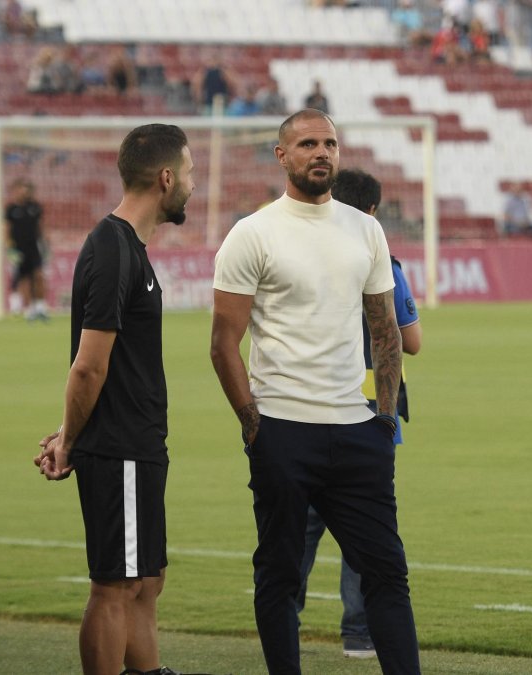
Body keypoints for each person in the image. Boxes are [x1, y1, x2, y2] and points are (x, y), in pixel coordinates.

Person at [210, 109, 421, 675]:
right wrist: (254, 426)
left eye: (329, 142)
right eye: (307, 143)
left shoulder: (365, 229)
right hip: (282, 431)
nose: (321, 152)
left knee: (387, 572)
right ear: (282, 155)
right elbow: (222, 343)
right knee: (279, 575)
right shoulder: (253, 233)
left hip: (358, 434)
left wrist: (383, 417)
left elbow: (385, 332)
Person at [34, 124, 194, 675]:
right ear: (166, 177)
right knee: (116, 585)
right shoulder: (112, 247)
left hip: (140, 444)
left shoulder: (130, 248)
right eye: (190, 174)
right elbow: (89, 364)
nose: (192, 187)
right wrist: (70, 439)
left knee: (147, 581)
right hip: (119, 447)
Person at [293, 168, 423, 660]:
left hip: (307, 408)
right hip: (372, 411)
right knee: (363, 527)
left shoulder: (300, 255)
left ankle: (285, 617)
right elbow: (410, 341)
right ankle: (359, 634)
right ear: (372, 212)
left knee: (300, 526)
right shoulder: (382, 260)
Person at [5, 177, 49, 321]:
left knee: (38, 275)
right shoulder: (11, 209)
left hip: (34, 247)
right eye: (21, 189)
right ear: (15, 191)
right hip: (18, 249)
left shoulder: (35, 207)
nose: (24, 192)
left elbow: (41, 226)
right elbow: (6, 229)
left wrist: (45, 243)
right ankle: (30, 308)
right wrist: (9, 248)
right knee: (24, 279)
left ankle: (41, 307)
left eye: (26, 189)